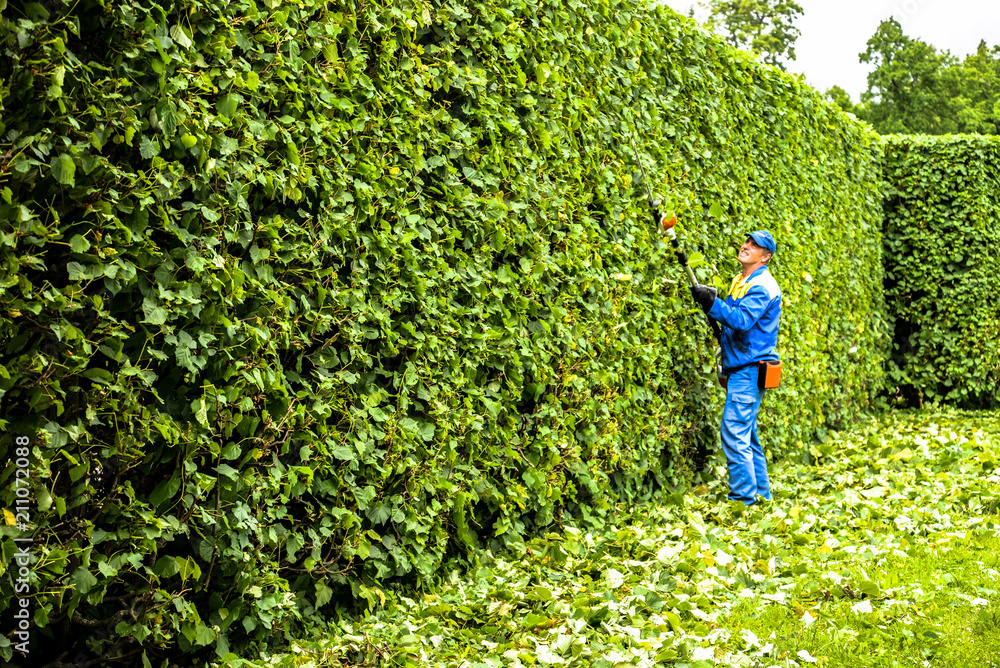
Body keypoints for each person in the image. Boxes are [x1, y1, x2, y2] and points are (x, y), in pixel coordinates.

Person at [690, 231, 781, 506]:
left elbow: (741, 320)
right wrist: (713, 303)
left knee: (733, 432)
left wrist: (712, 302)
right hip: (741, 366)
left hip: (750, 369)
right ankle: (761, 498)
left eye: (756, 246)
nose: (747, 246)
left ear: (765, 257)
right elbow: (731, 318)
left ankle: (743, 502)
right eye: (747, 242)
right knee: (746, 435)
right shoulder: (742, 280)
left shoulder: (763, 286)